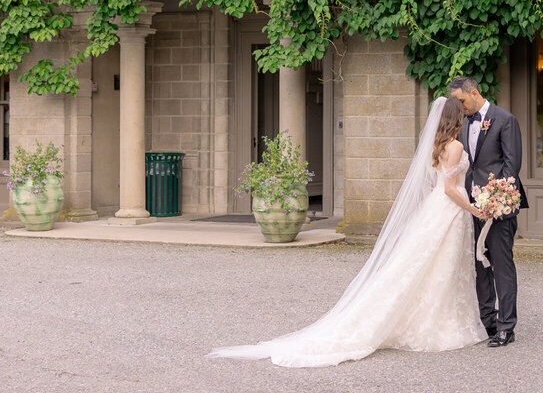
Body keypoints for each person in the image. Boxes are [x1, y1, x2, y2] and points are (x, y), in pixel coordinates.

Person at [209, 96, 488, 367]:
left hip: (437, 208)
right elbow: (450, 188)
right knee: (442, 267)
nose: (464, 119)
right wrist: (475, 209)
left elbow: (436, 184)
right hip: (449, 209)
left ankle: (435, 320)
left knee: (432, 266)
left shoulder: (437, 145)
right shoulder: (455, 147)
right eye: (461, 116)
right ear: (456, 119)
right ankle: (439, 325)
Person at [447, 75, 528, 348]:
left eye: (461, 100)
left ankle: (507, 327)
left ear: (474, 92)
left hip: (498, 208)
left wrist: (495, 200)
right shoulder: (462, 123)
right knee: (480, 266)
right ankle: (489, 322)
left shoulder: (505, 120)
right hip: (469, 208)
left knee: (502, 267)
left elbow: (511, 165)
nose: (460, 106)